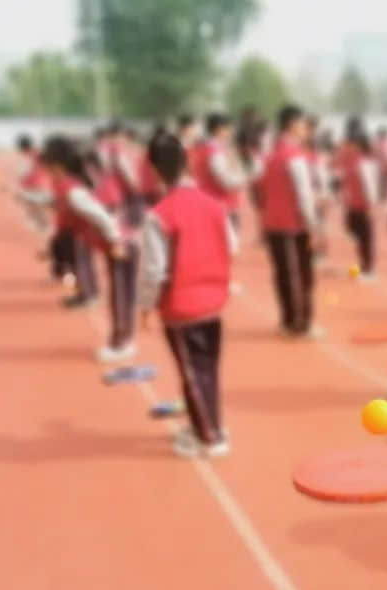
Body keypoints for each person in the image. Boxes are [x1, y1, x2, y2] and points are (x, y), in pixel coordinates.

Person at [139, 133, 233, 459]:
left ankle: (210, 436)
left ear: (154, 170)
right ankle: (210, 423)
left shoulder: (159, 215)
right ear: (187, 161)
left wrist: (145, 306)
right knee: (208, 368)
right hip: (214, 300)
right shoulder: (215, 206)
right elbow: (230, 245)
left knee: (192, 373)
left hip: (181, 307)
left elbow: (154, 269)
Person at [41, 136, 133, 362]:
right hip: (117, 242)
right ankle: (122, 340)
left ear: (57, 167)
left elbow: (103, 218)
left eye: (48, 169)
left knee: (121, 295)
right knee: (121, 294)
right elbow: (52, 202)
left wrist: (116, 242)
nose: (47, 175)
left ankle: (121, 344)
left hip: (121, 243)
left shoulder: (74, 191)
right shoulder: (69, 187)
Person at [258, 105, 322, 338]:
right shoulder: (294, 156)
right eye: (304, 124)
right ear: (293, 125)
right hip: (291, 224)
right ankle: (300, 323)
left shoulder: (272, 153)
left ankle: (288, 320)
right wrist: (314, 227)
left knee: (283, 274)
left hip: (273, 222)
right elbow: (303, 194)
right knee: (298, 275)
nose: (307, 129)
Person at [337, 116, 381, 280]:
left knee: (366, 239)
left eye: (351, 144)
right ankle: (364, 266)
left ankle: (369, 269)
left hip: (364, 207)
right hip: (353, 206)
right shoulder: (352, 161)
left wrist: (370, 206)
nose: (348, 146)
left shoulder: (364, 163)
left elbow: (370, 187)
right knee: (357, 235)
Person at [192, 113, 246, 234]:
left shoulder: (205, 148)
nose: (231, 132)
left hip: (211, 204)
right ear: (219, 129)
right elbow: (226, 181)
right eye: (228, 128)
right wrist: (243, 177)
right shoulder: (214, 152)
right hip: (222, 206)